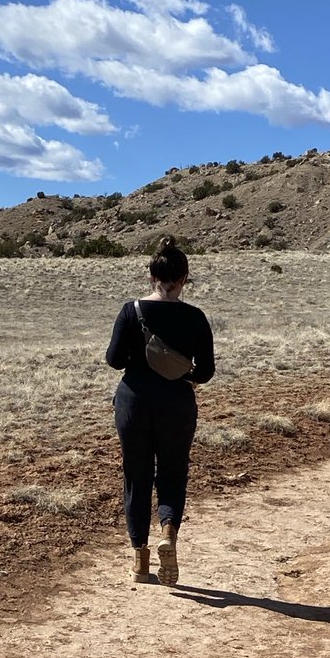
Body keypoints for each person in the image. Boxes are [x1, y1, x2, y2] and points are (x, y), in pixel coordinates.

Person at [106, 237, 215, 585]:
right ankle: (168, 533)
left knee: (136, 476)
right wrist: (181, 375)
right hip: (177, 403)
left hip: (133, 402)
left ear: (151, 276)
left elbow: (114, 360)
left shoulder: (130, 311)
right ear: (184, 279)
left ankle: (140, 561)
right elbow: (206, 371)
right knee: (172, 472)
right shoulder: (195, 317)